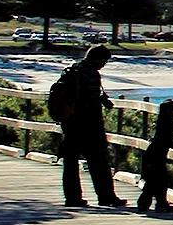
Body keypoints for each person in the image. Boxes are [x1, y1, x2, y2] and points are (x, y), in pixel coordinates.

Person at [48, 44, 122, 207]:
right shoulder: (91, 74)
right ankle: (106, 196)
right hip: (87, 124)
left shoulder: (74, 70)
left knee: (71, 163)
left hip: (69, 123)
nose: (103, 65)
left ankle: (73, 198)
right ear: (97, 59)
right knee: (99, 162)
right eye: (104, 61)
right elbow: (90, 99)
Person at [134, 98, 173, 213]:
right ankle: (152, 203)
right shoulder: (167, 122)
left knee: (157, 180)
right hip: (156, 154)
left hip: (154, 153)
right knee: (157, 180)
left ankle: (155, 203)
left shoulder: (162, 120)